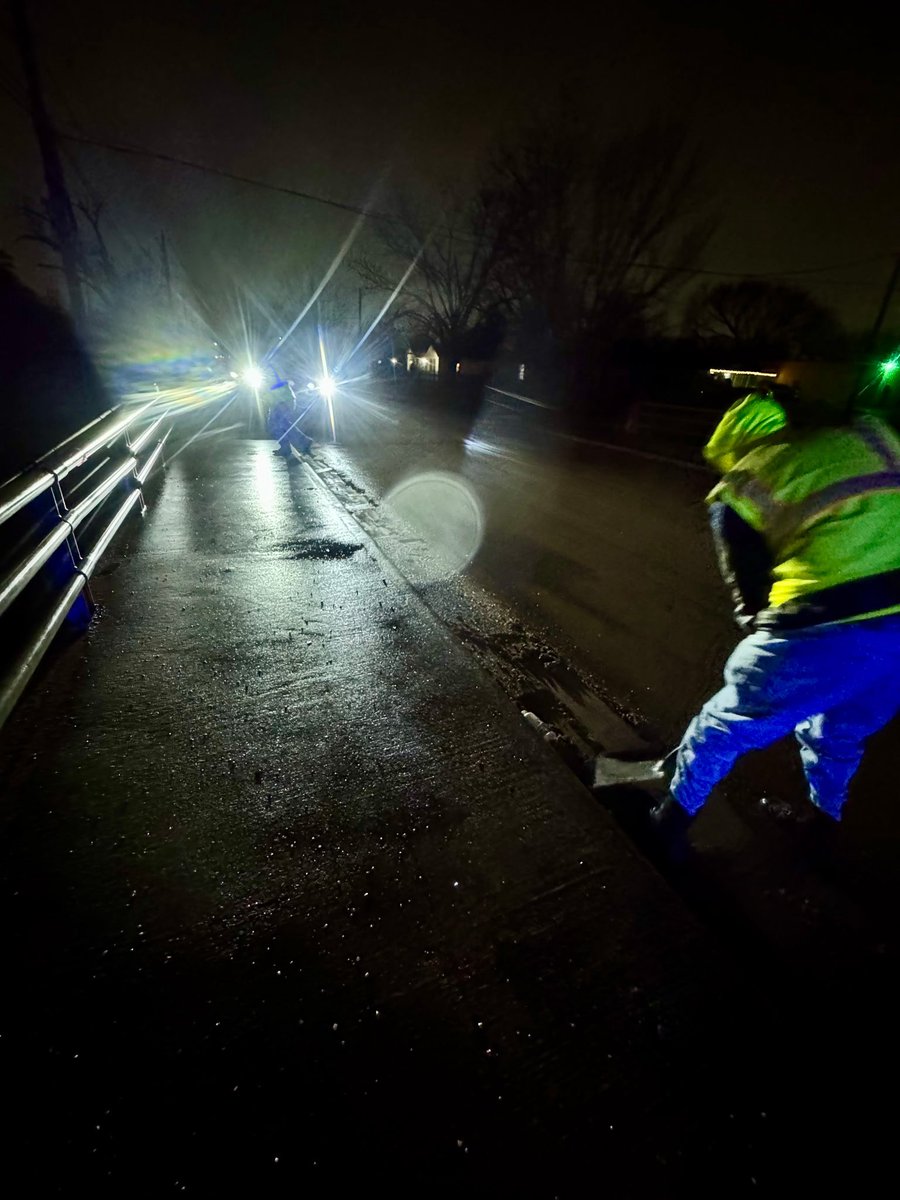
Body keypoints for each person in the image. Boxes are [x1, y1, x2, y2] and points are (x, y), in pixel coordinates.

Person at [649, 386, 900, 839]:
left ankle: (668, 826)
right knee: (839, 732)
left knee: (723, 726)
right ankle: (822, 824)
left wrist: (761, 636)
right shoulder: (869, 437)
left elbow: (751, 594)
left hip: (827, 623)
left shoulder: (742, 484)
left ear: (729, 448)